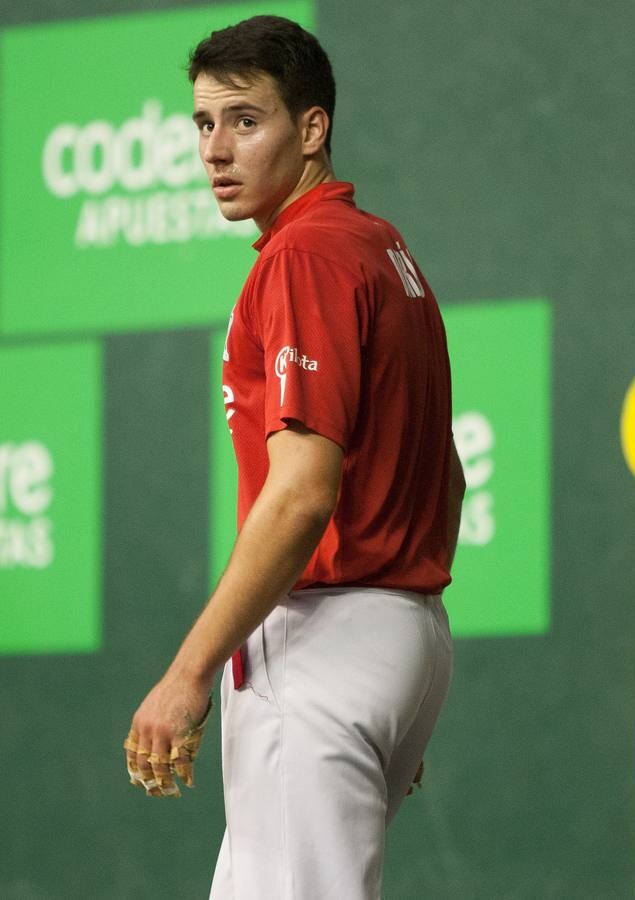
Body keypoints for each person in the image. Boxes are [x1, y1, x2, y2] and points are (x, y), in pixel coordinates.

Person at [122, 15, 464, 899]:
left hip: (323, 640)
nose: (216, 149)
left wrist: (187, 672)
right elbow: (445, 470)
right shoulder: (378, 248)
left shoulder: (306, 258)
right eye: (203, 123)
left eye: (245, 119)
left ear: (311, 129)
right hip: (397, 635)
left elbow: (302, 494)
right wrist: (388, 680)